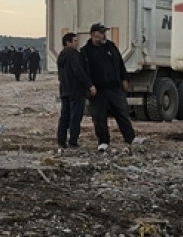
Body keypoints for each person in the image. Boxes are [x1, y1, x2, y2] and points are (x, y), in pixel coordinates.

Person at [80, 23, 136, 151]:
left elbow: (120, 63)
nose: (103, 35)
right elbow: (83, 71)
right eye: (100, 32)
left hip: (114, 88)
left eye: (104, 32)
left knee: (122, 113)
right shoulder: (85, 51)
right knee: (99, 117)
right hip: (98, 90)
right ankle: (103, 141)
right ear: (93, 34)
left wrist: (124, 78)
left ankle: (130, 138)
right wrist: (89, 86)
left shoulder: (111, 47)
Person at [57, 32, 95, 149]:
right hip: (76, 90)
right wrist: (89, 85)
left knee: (65, 116)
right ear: (68, 42)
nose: (77, 43)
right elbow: (78, 71)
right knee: (75, 116)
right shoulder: (73, 54)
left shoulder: (61, 55)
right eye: (75, 41)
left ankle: (61, 140)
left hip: (65, 90)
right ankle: (73, 141)